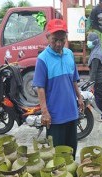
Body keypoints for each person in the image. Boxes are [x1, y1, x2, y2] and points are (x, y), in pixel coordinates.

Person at [32, 19, 84, 158]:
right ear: (47, 37)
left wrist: (79, 97)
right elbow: (40, 87)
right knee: (57, 156)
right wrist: (44, 112)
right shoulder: (43, 59)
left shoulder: (69, 54)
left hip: (71, 113)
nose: (59, 44)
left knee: (71, 152)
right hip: (54, 117)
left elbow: (73, 79)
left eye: (62, 39)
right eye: (55, 40)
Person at [87, 32, 102, 122]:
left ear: (95, 42)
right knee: (99, 98)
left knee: (100, 99)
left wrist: (91, 84)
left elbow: (94, 72)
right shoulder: (96, 51)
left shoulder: (96, 55)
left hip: (98, 80)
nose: (88, 42)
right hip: (100, 79)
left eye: (90, 41)